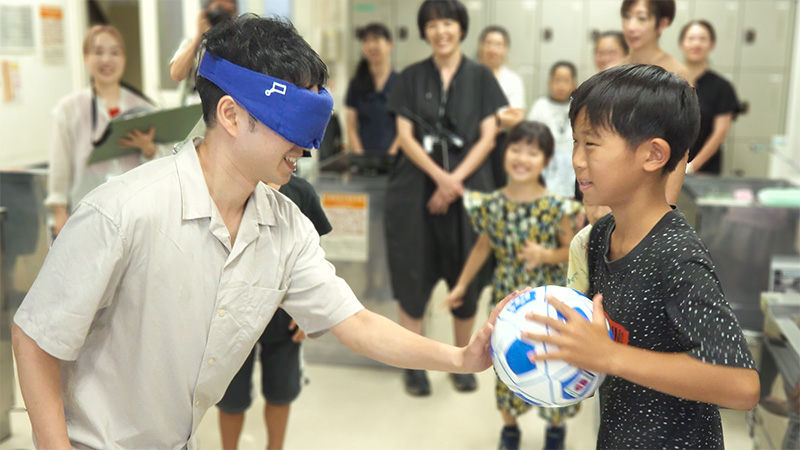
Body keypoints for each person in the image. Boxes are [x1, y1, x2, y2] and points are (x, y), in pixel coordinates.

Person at [11, 15, 513, 449]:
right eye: (292, 123)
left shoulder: (285, 226)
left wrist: (461, 357)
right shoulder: (123, 212)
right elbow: (35, 337)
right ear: (231, 114)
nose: (307, 146)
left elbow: (356, 323)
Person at [527, 64, 760, 449]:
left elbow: (741, 384)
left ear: (653, 155)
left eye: (591, 144)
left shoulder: (677, 256)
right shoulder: (601, 235)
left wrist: (610, 357)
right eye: (575, 142)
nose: (577, 159)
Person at [385, 0, 508, 397]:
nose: (441, 31)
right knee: (412, 273)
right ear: (424, 31)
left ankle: (463, 359)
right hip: (415, 192)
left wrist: (454, 181)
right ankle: (414, 364)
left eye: (448, 23)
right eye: (433, 24)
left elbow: (488, 137)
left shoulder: (481, 77)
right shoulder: (409, 77)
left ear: (461, 28)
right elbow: (405, 137)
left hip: (469, 190)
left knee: (466, 275)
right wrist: (440, 177)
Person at [442, 122, 580, 450]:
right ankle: (510, 429)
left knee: (556, 364)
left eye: (532, 153)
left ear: (546, 161)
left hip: (548, 304)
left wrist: (545, 255)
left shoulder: (556, 207)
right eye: (516, 149)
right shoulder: (493, 204)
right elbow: (482, 247)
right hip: (507, 302)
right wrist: (461, 285)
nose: (522, 158)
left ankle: (555, 429)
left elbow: (570, 249)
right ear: (505, 154)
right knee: (506, 362)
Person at [217, 174, 331, 450]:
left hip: (284, 315)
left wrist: (307, 313)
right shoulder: (228, 187)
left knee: (281, 392)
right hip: (232, 314)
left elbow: (314, 257)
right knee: (231, 397)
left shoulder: (300, 192)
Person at [47, 25, 161, 236]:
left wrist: (148, 149)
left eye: (115, 52)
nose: (106, 60)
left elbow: (162, 167)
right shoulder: (68, 110)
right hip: (86, 218)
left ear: (124, 58)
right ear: (85, 57)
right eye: (98, 52)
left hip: (135, 218)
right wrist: (59, 212)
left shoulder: (145, 108)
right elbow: (60, 166)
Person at [616, 0, 690, 204]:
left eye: (641, 18)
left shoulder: (677, 74)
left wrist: (667, 206)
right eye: (627, 17)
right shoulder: (614, 73)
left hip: (654, 190)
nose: (631, 26)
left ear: (662, 23)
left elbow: (681, 147)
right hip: (616, 185)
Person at [679, 20, 739, 175]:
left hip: (704, 171)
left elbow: (720, 133)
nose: (696, 44)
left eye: (702, 39)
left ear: (712, 45)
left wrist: (692, 167)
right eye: (691, 39)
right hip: (669, 167)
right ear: (681, 44)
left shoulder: (722, 87)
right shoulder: (670, 82)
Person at [476, 25, 525, 187]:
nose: (493, 49)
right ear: (481, 46)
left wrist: (484, 116)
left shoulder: (513, 80)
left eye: (498, 45)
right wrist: (501, 116)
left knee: (497, 187)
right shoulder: (468, 76)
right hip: (471, 139)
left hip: (500, 142)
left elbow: (517, 119)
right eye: (488, 43)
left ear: (505, 49)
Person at [344, 23, 399, 156]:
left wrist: (390, 157)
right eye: (366, 41)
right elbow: (351, 126)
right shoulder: (356, 83)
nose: (371, 46)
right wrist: (362, 157)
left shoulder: (400, 82)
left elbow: (405, 128)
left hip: (395, 158)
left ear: (390, 45)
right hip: (364, 157)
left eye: (376, 40)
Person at [526, 61, 578, 199]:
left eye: (566, 81)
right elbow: (530, 137)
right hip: (546, 163)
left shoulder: (577, 107)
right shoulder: (540, 106)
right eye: (557, 80)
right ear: (550, 82)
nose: (561, 85)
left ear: (574, 84)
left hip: (572, 164)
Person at [170, 0, 237, 106]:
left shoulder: (238, 45)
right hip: (193, 108)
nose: (223, 17)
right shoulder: (191, 43)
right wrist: (198, 38)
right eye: (220, 10)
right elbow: (176, 75)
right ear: (207, 13)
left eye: (229, 12)